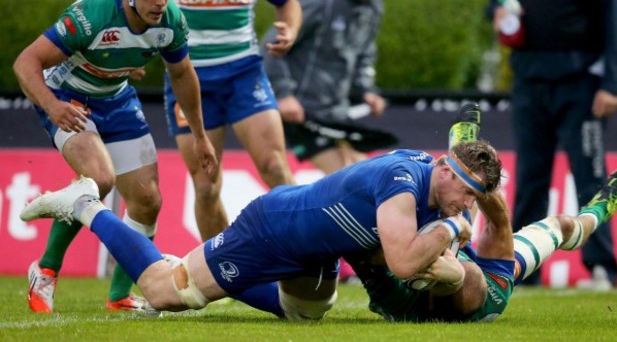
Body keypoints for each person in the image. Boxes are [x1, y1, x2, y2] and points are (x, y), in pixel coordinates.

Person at [19, 138, 503, 319]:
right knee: (169, 294)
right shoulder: (403, 184)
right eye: (468, 194)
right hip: (274, 228)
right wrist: (455, 228)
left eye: (474, 200)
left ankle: (195, 268)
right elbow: (401, 262)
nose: (467, 205)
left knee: (305, 315)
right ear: (444, 171)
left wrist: (451, 226)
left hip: (315, 252)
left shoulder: (431, 176)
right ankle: (83, 203)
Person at [13, 0, 218, 313]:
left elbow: (184, 75)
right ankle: (45, 270)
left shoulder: (170, 21)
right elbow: (26, 61)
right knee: (99, 180)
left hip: (117, 99)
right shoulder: (93, 15)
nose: (161, 2)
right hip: (68, 98)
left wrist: (201, 136)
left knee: (147, 200)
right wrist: (52, 106)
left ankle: (120, 296)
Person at [488, 0, 617, 288]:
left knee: (590, 176)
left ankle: (601, 269)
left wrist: (611, 85)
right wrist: (503, 5)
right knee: (531, 177)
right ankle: (522, 269)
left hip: (581, 85)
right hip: (530, 84)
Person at [346, 163, 617, 322]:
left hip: (438, 281)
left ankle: (463, 159)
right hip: (486, 282)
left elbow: (358, 250)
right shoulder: (493, 288)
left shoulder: (397, 301)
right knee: (561, 226)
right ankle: (598, 209)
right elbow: (499, 221)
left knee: (374, 247)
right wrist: (478, 177)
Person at [155, 0, 303, 241]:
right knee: (206, 186)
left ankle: (304, 258)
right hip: (188, 78)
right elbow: (137, 7)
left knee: (275, 166)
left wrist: (290, 28)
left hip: (243, 73)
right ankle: (224, 272)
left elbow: (287, 2)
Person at [262, 0, 389, 175]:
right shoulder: (320, 0)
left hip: (335, 115)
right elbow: (271, 45)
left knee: (367, 178)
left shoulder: (374, 7)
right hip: (300, 115)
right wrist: (283, 94)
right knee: (352, 181)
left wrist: (366, 90)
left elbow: (364, 54)